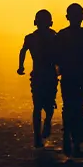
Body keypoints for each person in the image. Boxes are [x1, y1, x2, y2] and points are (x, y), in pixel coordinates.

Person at [55, 3, 83, 157]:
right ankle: (76, 143)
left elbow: (57, 55)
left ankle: (67, 139)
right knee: (78, 107)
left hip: (69, 75)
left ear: (67, 17)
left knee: (69, 107)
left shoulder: (62, 34)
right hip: (81, 75)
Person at [17, 9, 58, 148]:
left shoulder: (31, 38)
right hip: (48, 75)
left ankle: (38, 135)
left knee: (39, 106)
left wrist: (21, 66)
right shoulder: (54, 36)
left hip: (40, 75)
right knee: (47, 104)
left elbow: (23, 51)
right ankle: (44, 127)